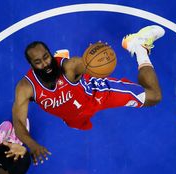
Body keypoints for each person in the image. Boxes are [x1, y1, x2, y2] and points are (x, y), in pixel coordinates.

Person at [12, 25, 165, 164]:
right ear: (31, 65)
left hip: (97, 95)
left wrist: (94, 56)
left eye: (46, 57)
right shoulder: (26, 87)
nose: (45, 63)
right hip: (73, 118)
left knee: (154, 97)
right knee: (77, 123)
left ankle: (138, 46)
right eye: (38, 61)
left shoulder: (70, 67)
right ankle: (63, 56)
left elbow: (85, 64)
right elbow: (18, 122)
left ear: (50, 54)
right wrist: (32, 145)